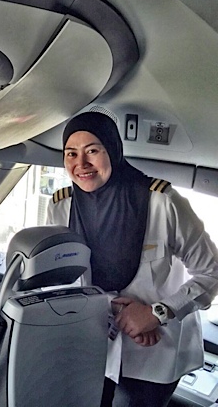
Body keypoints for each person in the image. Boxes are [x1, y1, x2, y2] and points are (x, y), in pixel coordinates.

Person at [46, 111, 218, 407]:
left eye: (92, 151)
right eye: (71, 154)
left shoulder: (162, 201)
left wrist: (158, 313)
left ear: (112, 150)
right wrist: (102, 305)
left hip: (155, 353)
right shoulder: (61, 206)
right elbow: (61, 276)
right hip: (93, 344)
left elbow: (212, 271)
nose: (81, 164)